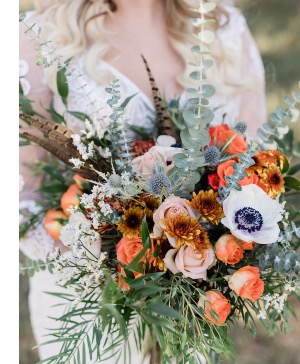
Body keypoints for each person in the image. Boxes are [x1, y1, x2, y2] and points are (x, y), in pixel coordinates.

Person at [19, 0, 267, 362]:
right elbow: (21, 198)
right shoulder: (36, 36)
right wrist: (107, 259)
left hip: (190, 316)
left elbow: (255, 168)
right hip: (93, 316)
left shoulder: (225, 27)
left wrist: (200, 265)